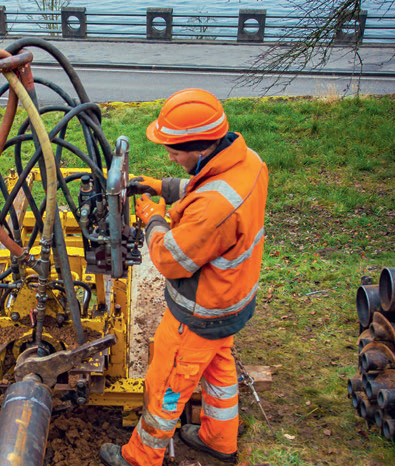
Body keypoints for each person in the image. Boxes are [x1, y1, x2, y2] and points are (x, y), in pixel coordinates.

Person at [99, 89, 269, 466]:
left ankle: (141, 457)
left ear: (201, 148)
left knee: (167, 385)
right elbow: (204, 190)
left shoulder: (214, 207)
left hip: (199, 313)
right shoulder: (247, 164)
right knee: (219, 368)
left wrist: (154, 218)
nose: (170, 157)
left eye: (174, 151)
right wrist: (160, 186)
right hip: (232, 302)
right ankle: (218, 439)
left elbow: (170, 259)